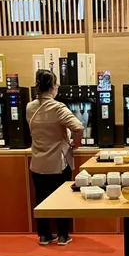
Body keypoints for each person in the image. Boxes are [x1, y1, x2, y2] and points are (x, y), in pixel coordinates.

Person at [27, 69, 83, 246]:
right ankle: (62, 236)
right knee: (61, 198)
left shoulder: (30, 107)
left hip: (37, 161)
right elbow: (78, 127)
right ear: (52, 86)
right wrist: (76, 142)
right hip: (57, 162)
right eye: (56, 84)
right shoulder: (57, 107)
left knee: (41, 198)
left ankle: (44, 235)